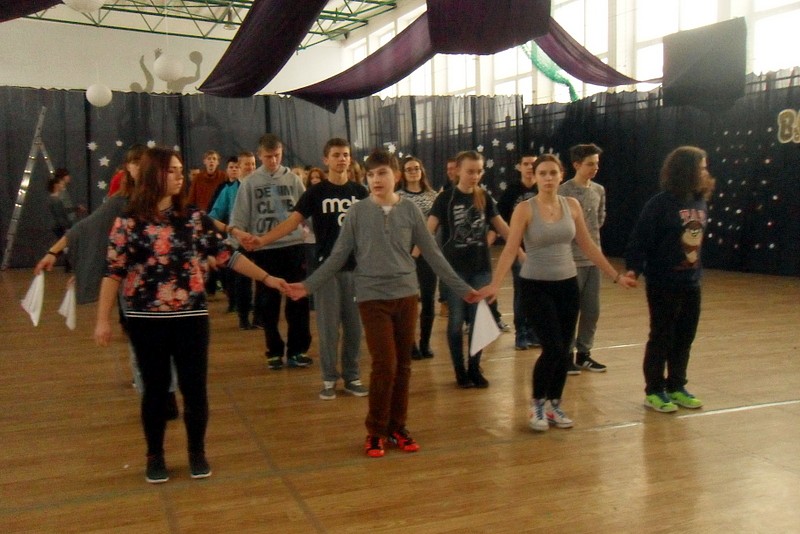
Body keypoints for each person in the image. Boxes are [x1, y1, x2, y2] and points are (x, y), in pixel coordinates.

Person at [93, 146, 288, 484]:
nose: (179, 176)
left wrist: (268, 278)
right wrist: (102, 320)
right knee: (155, 390)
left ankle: (197, 452)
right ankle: (155, 455)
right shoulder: (127, 221)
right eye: (171, 170)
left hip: (191, 318)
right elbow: (113, 272)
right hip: (146, 320)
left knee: (194, 388)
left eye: (180, 170)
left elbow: (226, 255)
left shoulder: (193, 218)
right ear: (154, 175)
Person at [285, 149, 479, 458]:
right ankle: (375, 430)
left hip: (406, 296)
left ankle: (397, 427)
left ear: (396, 176)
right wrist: (308, 285)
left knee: (403, 366)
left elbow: (433, 254)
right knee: (384, 364)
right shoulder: (357, 212)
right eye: (371, 174)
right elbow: (337, 256)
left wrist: (462, 289)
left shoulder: (410, 211)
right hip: (372, 297)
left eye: (382, 173)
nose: (376, 179)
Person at [478, 154, 636, 432]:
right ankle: (537, 404)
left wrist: (616, 276)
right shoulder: (525, 209)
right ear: (535, 177)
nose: (548, 178)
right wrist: (495, 284)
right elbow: (511, 248)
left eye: (553, 173)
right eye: (543, 173)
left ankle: (554, 404)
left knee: (564, 350)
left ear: (561, 175)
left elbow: (587, 245)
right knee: (551, 347)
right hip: (535, 286)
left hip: (567, 285)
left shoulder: (571, 205)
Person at [244, 139, 368, 399]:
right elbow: (291, 222)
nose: (342, 159)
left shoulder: (360, 192)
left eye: (346, 155)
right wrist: (263, 240)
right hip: (326, 271)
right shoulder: (315, 192)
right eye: (336, 155)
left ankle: (352, 376)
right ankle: (329, 379)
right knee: (328, 328)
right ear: (326, 160)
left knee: (354, 328)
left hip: (356, 270)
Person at [624, 146, 709, 413]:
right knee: (662, 336)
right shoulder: (660, 204)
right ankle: (654, 390)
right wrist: (633, 269)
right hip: (663, 282)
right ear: (687, 170)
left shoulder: (699, 201)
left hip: (691, 281)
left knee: (685, 337)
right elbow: (640, 238)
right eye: (701, 167)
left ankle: (676, 386)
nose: (705, 172)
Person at [427, 150, 516, 389]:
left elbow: (503, 228)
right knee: (456, 322)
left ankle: (474, 367)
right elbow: (428, 230)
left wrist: (521, 252)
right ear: (457, 171)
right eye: (470, 171)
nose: (475, 176)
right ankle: (460, 371)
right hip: (454, 271)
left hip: (480, 269)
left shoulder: (484, 197)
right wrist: (415, 255)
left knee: (479, 322)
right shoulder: (445, 198)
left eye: (478, 171)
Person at [227, 134, 312, 369]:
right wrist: (236, 239)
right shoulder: (250, 183)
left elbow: (307, 212)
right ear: (259, 155)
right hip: (265, 249)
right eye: (268, 156)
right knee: (268, 303)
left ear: (282, 153)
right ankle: (273, 351)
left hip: (294, 247)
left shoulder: (293, 180)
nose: (273, 161)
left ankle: (298, 350)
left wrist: (311, 237)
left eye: (277, 156)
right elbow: (239, 216)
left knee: (298, 299)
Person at [559, 143, 608, 374]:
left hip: (593, 259)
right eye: (590, 164)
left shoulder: (599, 190)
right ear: (577, 165)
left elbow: (599, 219)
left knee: (592, 310)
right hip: (570, 260)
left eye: (596, 164)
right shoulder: (563, 191)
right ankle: (566, 354)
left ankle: (584, 353)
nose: (595, 168)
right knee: (569, 310)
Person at [208, 152, 258, 329]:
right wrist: (228, 230)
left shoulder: (261, 186)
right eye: (247, 164)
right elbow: (212, 216)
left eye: (253, 164)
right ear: (239, 166)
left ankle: (259, 317)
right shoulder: (229, 191)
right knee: (243, 281)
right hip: (239, 242)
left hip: (261, 241)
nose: (251, 167)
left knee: (262, 281)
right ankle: (243, 318)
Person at [498, 152, 540, 351]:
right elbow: (500, 220)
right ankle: (520, 334)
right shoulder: (512, 191)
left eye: (533, 164)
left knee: (537, 294)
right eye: (526, 164)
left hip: (540, 250)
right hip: (519, 249)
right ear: (519, 167)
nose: (530, 167)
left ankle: (534, 332)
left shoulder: (543, 189)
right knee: (521, 292)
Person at [397, 156, 438, 360]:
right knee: (409, 300)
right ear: (403, 174)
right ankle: (410, 343)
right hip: (404, 253)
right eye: (409, 169)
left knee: (428, 299)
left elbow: (435, 225)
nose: (413, 172)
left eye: (416, 168)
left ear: (422, 171)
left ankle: (425, 342)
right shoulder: (398, 197)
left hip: (427, 253)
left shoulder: (433, 196)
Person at [209, 156, 241, 313]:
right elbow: (214, 213)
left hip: (253, 237)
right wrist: (223, 228)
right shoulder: (226, 189)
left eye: (237, 166)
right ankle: (235, 303)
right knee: (231, 271)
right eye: (231, 167)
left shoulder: (252, 185)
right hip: (231, 236)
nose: (234, 169)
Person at [437, 157, 459, 317]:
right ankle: (444, 301)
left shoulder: (473, 190)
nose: (450, 171)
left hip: (462, 237)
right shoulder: (444, 190)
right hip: (445, 234)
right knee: (444, 269)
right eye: (448, 169)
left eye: (453, 168)